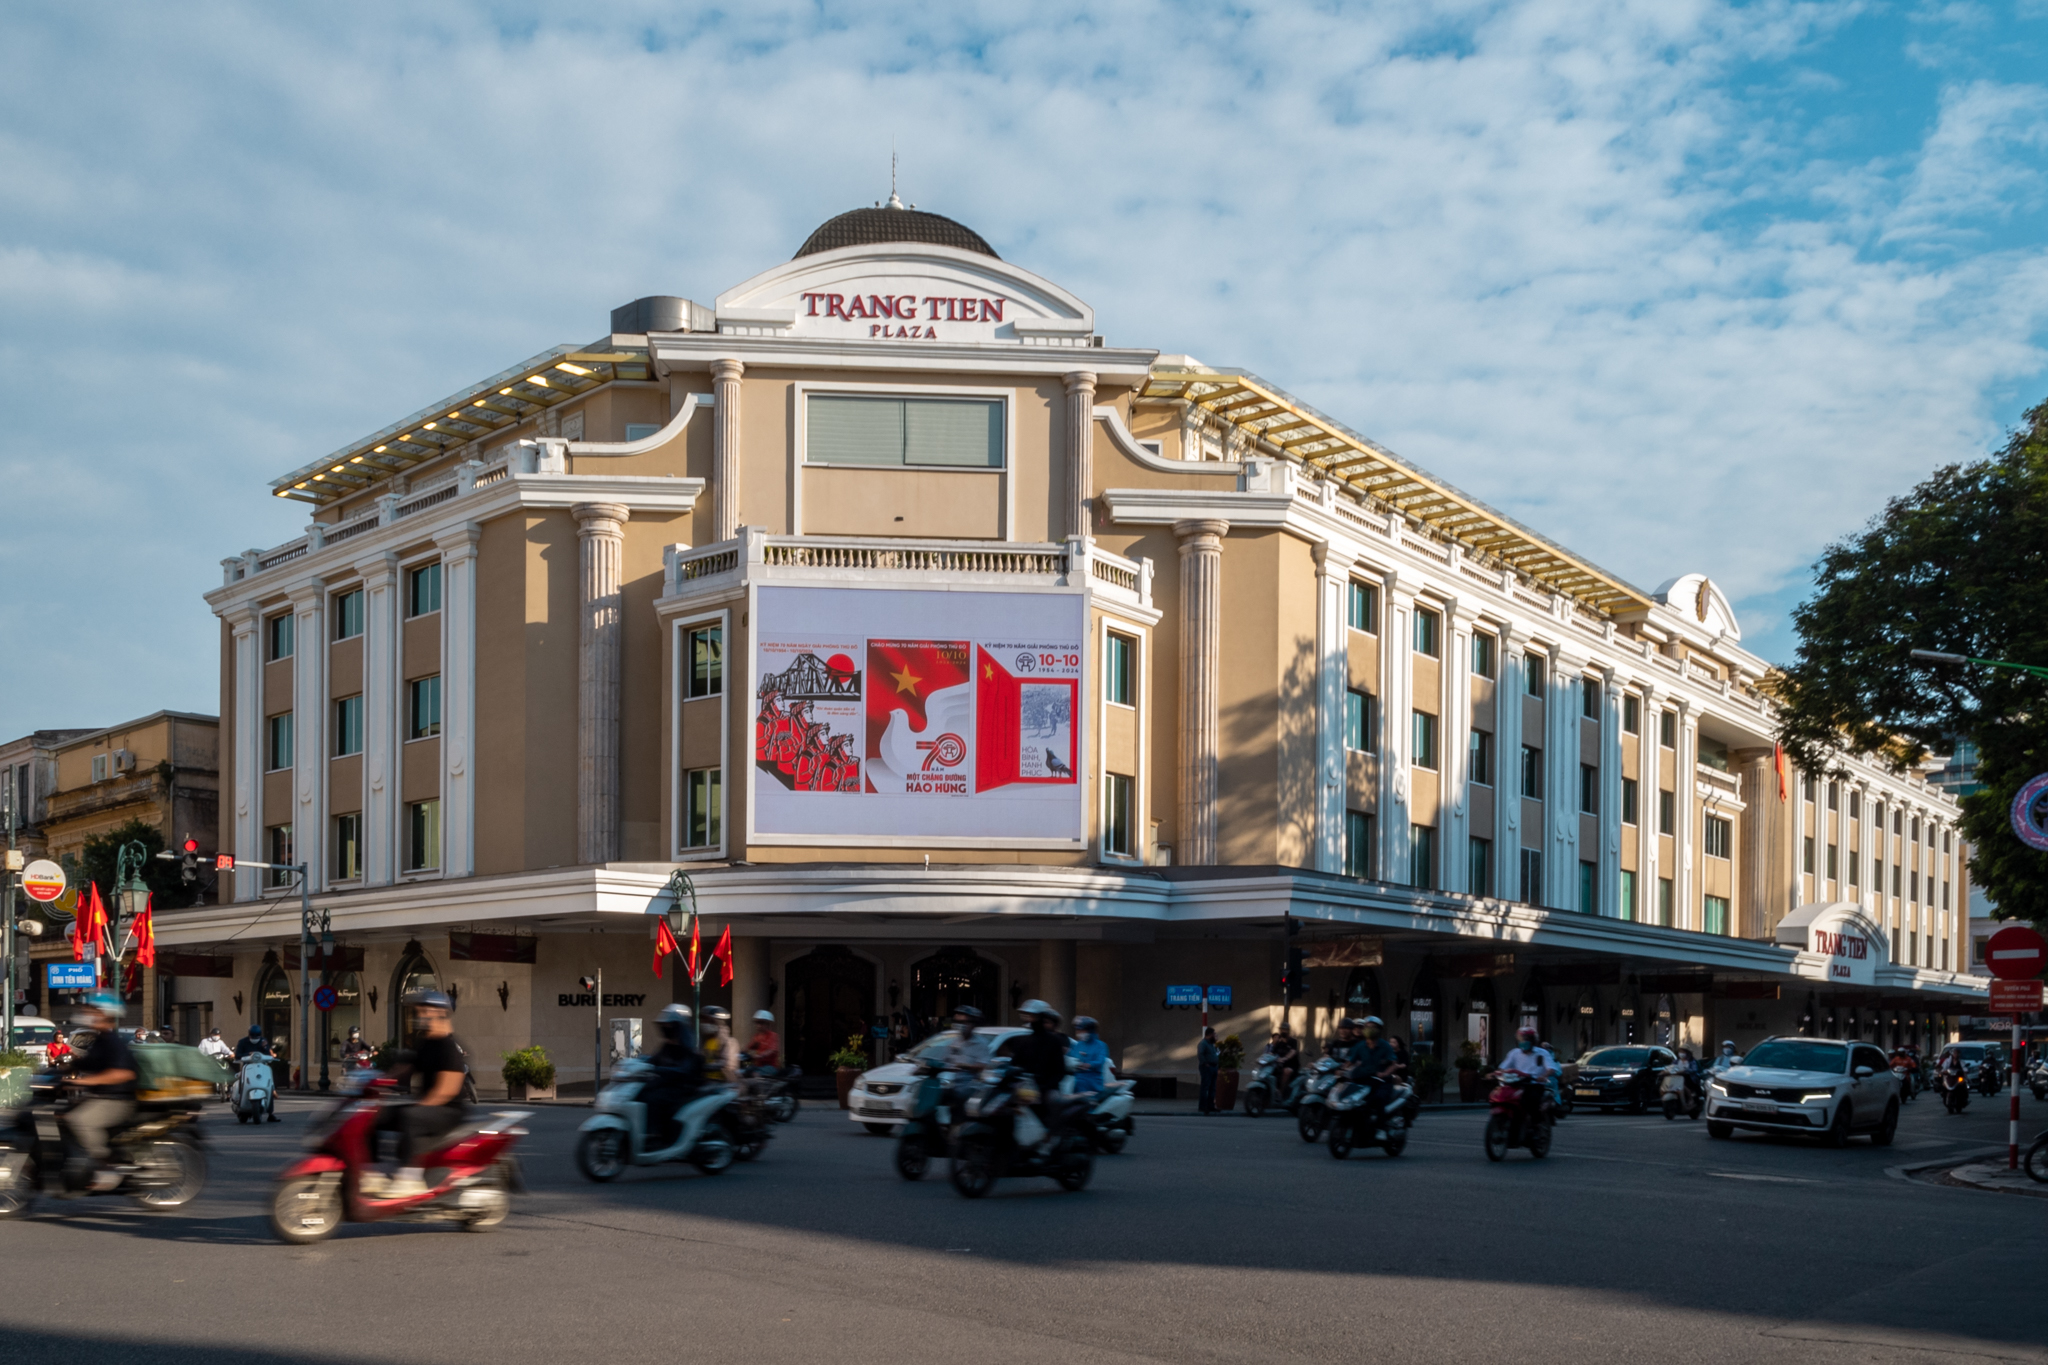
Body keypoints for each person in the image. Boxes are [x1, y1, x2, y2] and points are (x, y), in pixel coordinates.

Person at [379, 992, 470, 1195]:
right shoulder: (426, 1043)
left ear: (440, 1013)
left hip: (448, 1110)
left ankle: (410, 1178)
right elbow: (405, 1068)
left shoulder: (448, 1047)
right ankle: (371, 1171)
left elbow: (447, 1090)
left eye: (424, 1010)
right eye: (419, 1011)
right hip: (429, 1106)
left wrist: (420, 1106)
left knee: (411, 1116)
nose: (420, 1015)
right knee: (375, 1114)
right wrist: (374, 1082)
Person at [60, 991, 137, 1190]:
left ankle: (107, 1167)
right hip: (101, 1097)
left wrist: (85, 1082)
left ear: (105, 1014)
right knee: (60, 1115)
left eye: (92, 1010)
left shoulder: (113, 1042)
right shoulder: (99, 1040)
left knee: (79, 1121)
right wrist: (65, 1069)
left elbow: (122, 1074)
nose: (87, 1013)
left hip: (116, 1100)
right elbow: (86, 1064)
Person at [641, 1003, 708, 1150]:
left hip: (682, 1088)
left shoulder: (688, 1046)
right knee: (641, 1092)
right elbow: (653, 1060)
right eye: (664, 1025)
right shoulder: (667, 1046)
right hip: (667, 1084)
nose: (666, 1028)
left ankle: (655, 1136)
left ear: (678, 1026)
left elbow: (685, 1070)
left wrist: (663, 1070)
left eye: (669, 1025)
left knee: (653, 1099)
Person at [1343, 1016, 1400, 1126]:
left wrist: (1384, 1074)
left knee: (1378, 1099)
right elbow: (1350, 1062)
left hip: (1381, 1082)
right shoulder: (1360, 1046)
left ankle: (1381, 1128)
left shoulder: (1385, 1045)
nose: (1369, 1029)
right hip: (1364, 1080)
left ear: (1378, 1030)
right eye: (1367, 1027)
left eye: (1373, 1027)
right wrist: (1342, 1070)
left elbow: (1394, 1064)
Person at [1498, 1026, 1559, 1113]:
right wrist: (1497, 1073)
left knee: (1532, 1104)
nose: (1523, 1042)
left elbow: (1551, 1068)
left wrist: (1544, 1076)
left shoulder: (1542, 1053)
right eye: (1521, 1039)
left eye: (1525, 1039)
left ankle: (1535, 1123)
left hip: (1534, 1084)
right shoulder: (1514, 1053)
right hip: (1516, 1084)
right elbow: (1503, 1067)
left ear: (1533, 1041)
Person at [234, 1025, 282, 1122]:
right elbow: (237, 1055)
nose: (255, 1038)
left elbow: (268, 1055)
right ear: (249, 1035)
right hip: (248, 1067)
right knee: (242, 1082)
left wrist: (265, 1048)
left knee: (269, 1084)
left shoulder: (263, 1042)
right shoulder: (243, 1042)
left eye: (257, 1036)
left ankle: (270, 1112)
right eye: (253, 1035)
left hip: (262, 1067)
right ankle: (238, 1101)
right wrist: (248, 1054)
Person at [1067, 1016, 1111, 1094]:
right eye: (1078, 1030)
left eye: (1082, 1030)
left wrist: (1089, 1065)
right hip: (1077, 1079)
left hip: (1092, 1080)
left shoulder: (1101, 1045)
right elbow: (1072, 1057)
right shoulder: (1079, 1044)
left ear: (1090, 1030)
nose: (1079, 1033)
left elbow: (1100, 1061)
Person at [699, 1006, 737, 1084]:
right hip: (706, 1081)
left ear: (716, 1022)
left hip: (722, 1084)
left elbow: (727, 1065)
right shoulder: (707, 1041)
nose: (704, 1023)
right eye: (702, 1020)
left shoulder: (729, 1042)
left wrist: (706, 1066)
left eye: (707, 1021)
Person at [1268, 1026, 1301, 1099]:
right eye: (1282, 1029)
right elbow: (1272, 1053)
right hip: (1280, 1065)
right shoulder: (1280, 1043)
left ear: (1288, 1031)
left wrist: (1285, 1058)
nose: (1283, 1031)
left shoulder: (1293, 1041)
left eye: (1285, 1029)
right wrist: (1266, 1058)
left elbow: (1293, 1051)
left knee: (1286, 1071)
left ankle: (1281, 1092)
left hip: (1292, 1065)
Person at [745, 1009, 781, 1074]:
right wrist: (742, 1052)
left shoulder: (773, 1036)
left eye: (761, 1023)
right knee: (745, 1072)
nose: (758, 1025)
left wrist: (760, 1055)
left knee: (755, 1074)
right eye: (757, 1022)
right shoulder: (756, 1036)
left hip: (770, 1066)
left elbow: (771, 1050)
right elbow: (750, 1047)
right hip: (758, 1066)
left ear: (768, 1024)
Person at [1196, 1027, 1221, 1115]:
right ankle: (1202, 1106)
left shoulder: (1211, 1044)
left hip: (1214, 1067)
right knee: (1205, 1087)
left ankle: (1211, 1106)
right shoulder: (1203, 1043)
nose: (1215, 1036)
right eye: (1214, 1034)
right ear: (1209, 1034)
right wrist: (1205, 1063)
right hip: (1207, 1067)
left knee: (1212, 1087)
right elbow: (1200, 1054)